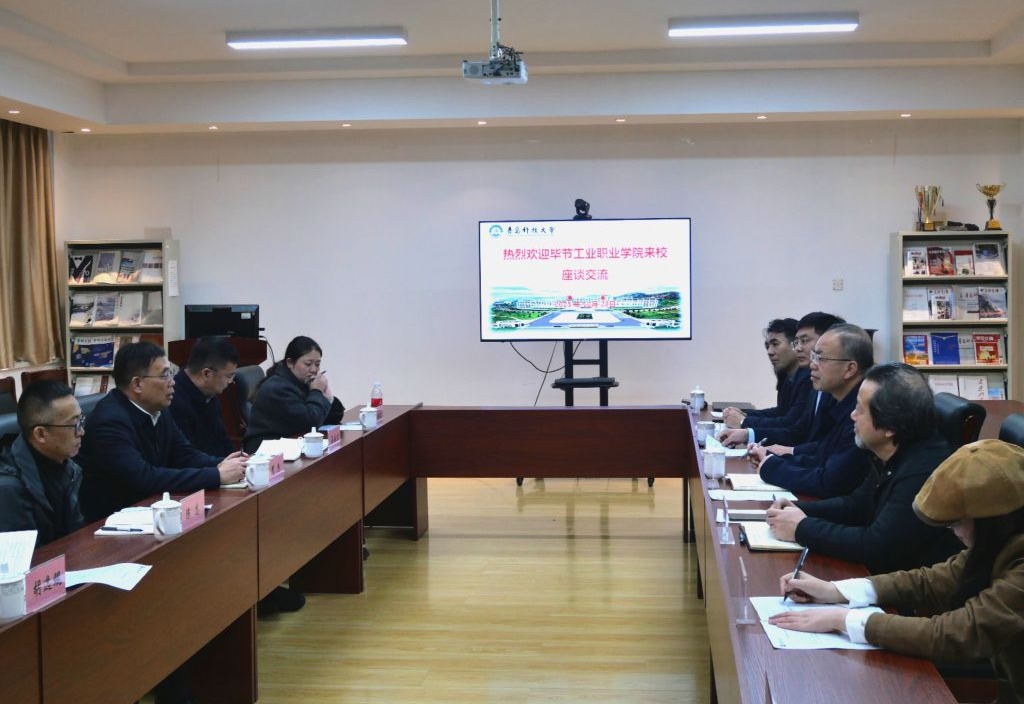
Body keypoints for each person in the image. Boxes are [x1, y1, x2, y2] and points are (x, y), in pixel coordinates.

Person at [768, 439, 1024, 704]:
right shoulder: (1000, 541)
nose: (955, 533)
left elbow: (958, 635)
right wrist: (834, 590)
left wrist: (844, 620)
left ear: (991, 521)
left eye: (957, 523)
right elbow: (929, 582)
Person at [765, 363, 962, 573]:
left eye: (859, 409)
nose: (852, 415)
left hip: (908, 584)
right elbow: (856, 505)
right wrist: (799, 509)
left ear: (889, 426)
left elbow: (877, 545)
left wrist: (802, 528)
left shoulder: (923, 469)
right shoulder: (891, 450)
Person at [77, 341, 247, 522]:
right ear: (137, 384)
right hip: (112, 522)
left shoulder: (158, 409)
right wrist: (216, 475)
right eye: (165, 375)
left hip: (150, 509)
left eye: (171, 374)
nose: (173, 382)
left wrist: (225, 464)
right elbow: (145, 478)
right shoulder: (110, 422)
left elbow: (184, 454)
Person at [747, 323, 873, 498]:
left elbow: (829, 481)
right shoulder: (841, 403)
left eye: (821, 358)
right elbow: (822, 457)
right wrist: (771, 457)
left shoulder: (860, 412)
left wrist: (772, 467)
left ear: (850, 369)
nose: (812, 365)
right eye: (814, 357)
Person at [718, 312, 845, 450]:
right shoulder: (800, 379)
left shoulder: (817, 383)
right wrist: (746, 426)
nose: (797, 348)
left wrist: (744, 421)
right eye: (797, 342)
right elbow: (792, 423)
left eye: (804, 341)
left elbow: (795, 428)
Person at [0, 380, 85, 546]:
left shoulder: (69, 467)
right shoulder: (8, 488)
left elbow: (75, 535)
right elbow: (25, 556)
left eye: (81, 421)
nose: (82, 431)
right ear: (40, 434)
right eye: (73, 425)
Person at [243, 335, 344, 454]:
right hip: (265, 450)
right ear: (290, 363)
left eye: (317, 364)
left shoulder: (301, 381)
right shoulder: (278, 388)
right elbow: (310, 423)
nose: (314, 370)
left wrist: (328, 397)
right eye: (308, 364)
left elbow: (334, 417)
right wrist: (316, 392)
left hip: (291, 442)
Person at [722, 318, 809, 430]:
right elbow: (780, 412)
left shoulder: (808, 378)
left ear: (795, 345)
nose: (769, 352)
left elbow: (789, 422)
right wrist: (744, 414)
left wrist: (744, 421)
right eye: (768, 346)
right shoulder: (786, 376)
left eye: (775, 344)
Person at [168, 336, 239, 456]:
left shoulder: (210, 395)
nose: (230, 381)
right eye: (229, 376)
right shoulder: (173, 400)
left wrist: (238, 461)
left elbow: (223, 440)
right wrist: (223, 465)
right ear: (206, 373)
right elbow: (186, 456)